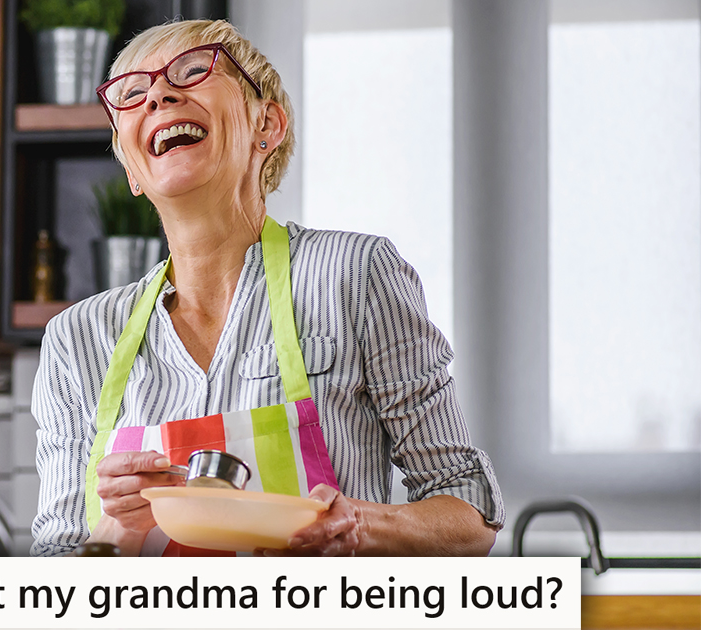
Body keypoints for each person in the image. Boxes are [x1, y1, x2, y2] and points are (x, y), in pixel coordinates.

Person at [30, 19, 503, 558]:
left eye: (191, 72)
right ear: (133, 170)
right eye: (133, 94)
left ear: (267, 125)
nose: (159, 94)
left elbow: (469, 511)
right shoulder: (78, 338)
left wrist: (364, 526)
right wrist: (119, 530)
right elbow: (54, 573)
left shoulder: (355, 273)